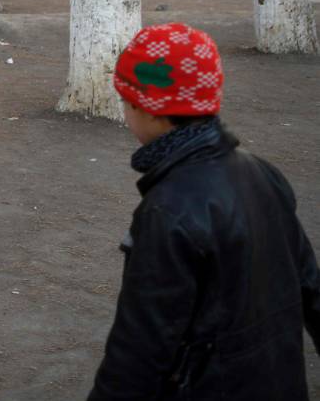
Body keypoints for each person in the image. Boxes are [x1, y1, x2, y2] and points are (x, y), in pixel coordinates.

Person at [88, 23, 320, 400]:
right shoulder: (261, 173)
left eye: (126, 100)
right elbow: (310, 286)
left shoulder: (168, 211)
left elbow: (138, 352)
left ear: (147, 107)